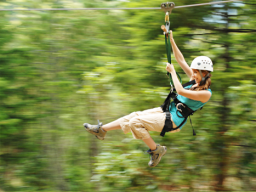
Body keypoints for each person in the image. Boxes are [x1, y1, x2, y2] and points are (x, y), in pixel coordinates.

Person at [83, 31, 213, 167]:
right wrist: (171, 40)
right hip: (167, 111)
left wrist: (173, 72)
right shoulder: (194, 80)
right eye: (192, 71)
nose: (192, 74)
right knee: (134, 116)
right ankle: (102, 130)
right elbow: (180, 60)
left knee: (135, 122)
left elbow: (180, 90)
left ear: (204, 73)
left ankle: (157, 150)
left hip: (174, 120)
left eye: (195, 72)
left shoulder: (206, 94)